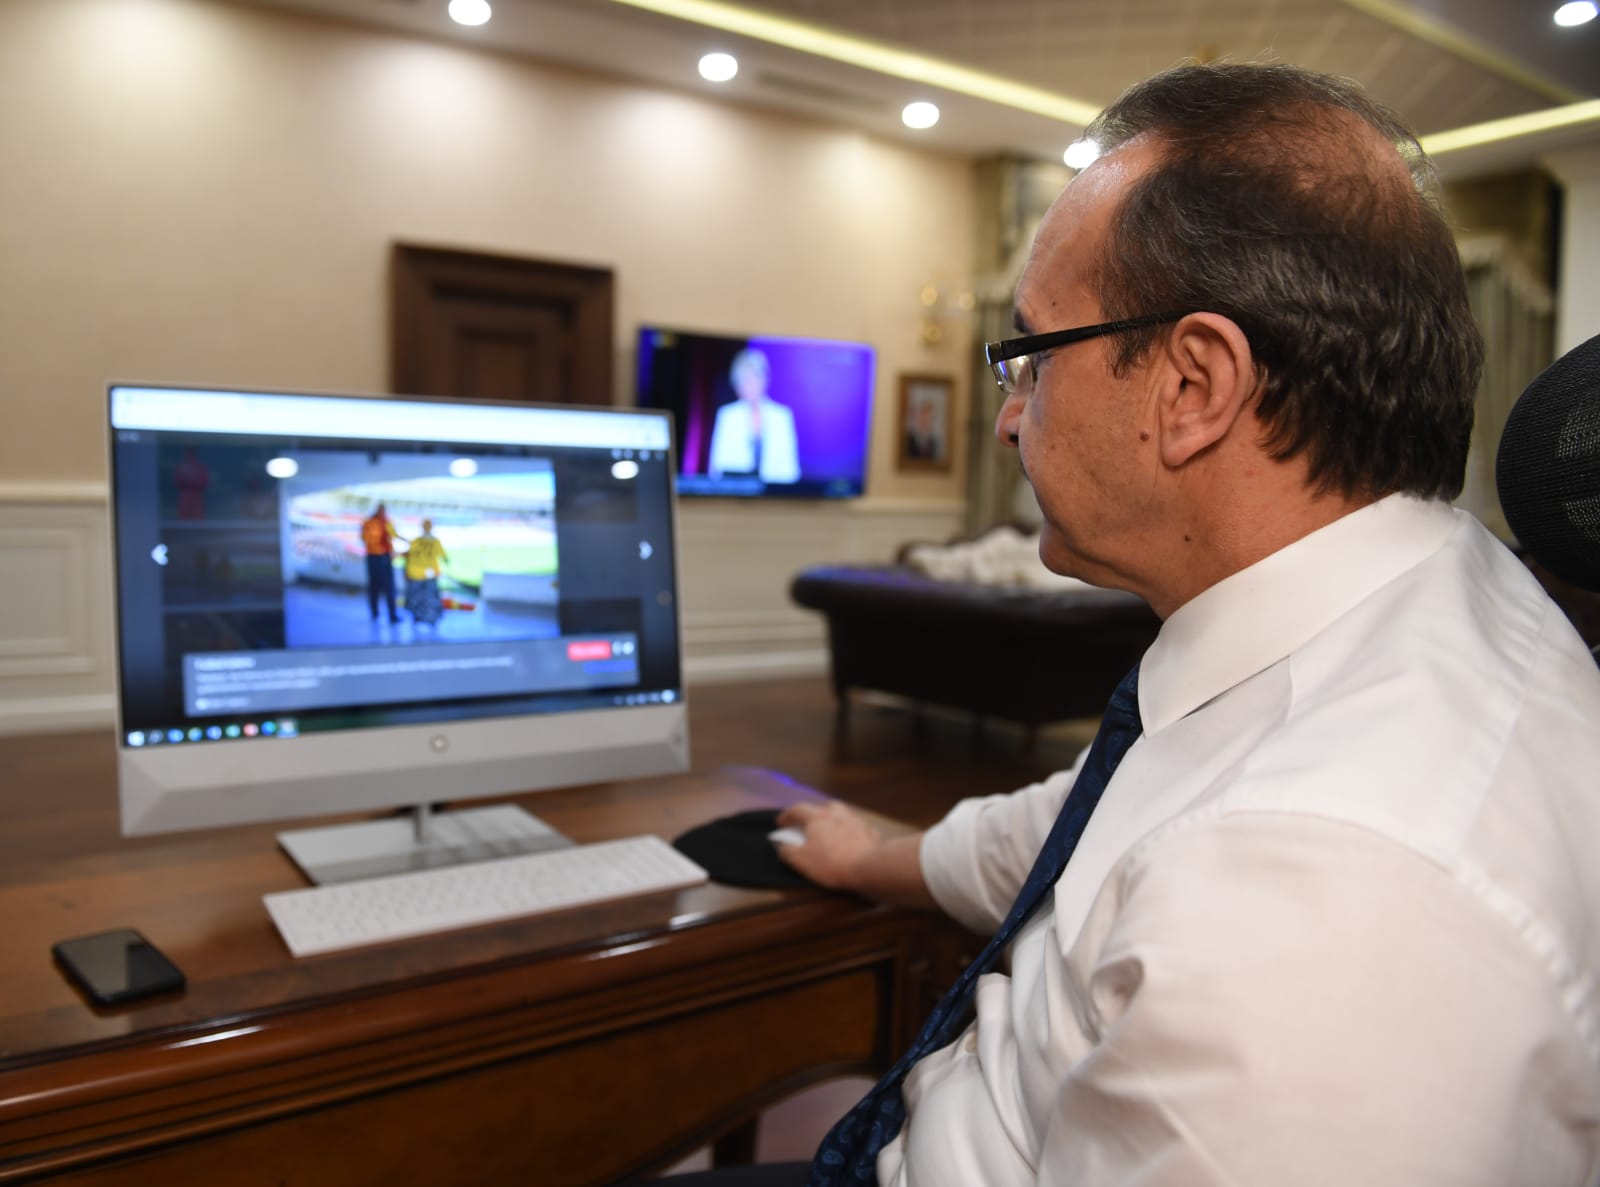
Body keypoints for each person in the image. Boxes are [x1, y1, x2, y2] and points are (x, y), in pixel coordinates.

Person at [761, 62, 1600, 1187]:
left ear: (1194, 385)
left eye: (1031, 358)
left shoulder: (1337, 893)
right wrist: (880, 856)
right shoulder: (1391, 591)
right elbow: (1094, 817)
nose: (1009, 419)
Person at [707, 347, 801, 483]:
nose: (750, 386)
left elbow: (791, 468)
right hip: (736, 489)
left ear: (765, 380)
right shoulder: (727, 416)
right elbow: (717, 466)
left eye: (755, 379)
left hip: (775, 490)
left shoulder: (782, 416)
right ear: (737, 386)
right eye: (745, 381)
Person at [359, 503, 406, 623]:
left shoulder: (372, 522)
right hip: (380, 557)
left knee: (378, 587)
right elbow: (393, 535)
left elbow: (363, 538)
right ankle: (387, 615)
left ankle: (379, 613)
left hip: (376, 557)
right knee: (385, 587)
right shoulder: (379, 522)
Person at [403, 518, 449, 626]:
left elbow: (408, 556)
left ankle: (418, 617)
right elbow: (444, 557)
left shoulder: (416, 541)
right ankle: (430, 619)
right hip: (429, 575)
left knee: (416, 597)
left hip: (416, 575)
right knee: (430, 598)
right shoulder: (435, 542)